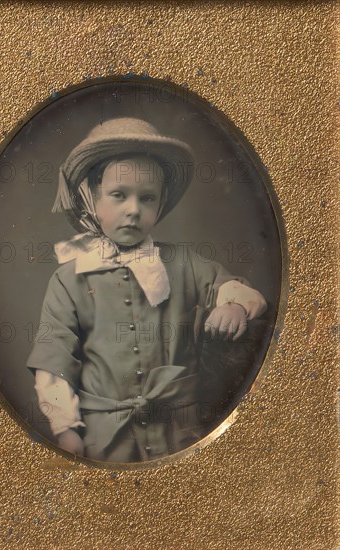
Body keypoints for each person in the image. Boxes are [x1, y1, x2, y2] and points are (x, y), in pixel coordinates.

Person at [26, 117, 267, 463]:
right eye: (119, 195)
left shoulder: (185, 263)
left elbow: (239, 290)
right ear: (93, 199)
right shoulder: (69, 280)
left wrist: (234, 306)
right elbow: (53, 361)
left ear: (160, 203)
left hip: (181, 433)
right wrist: (65, 429)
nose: (134, 210)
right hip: (106, 440)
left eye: (147, 198)